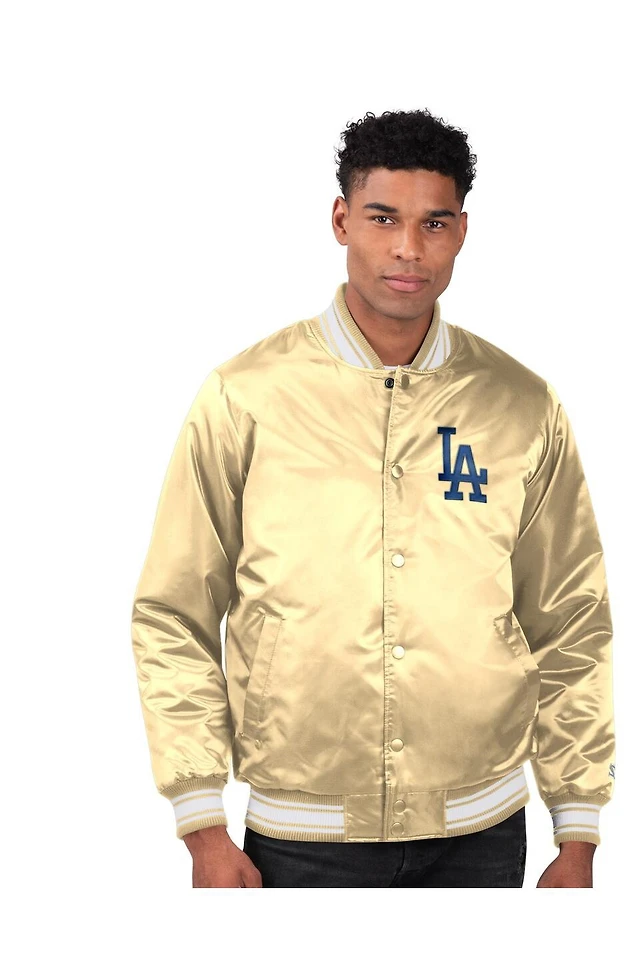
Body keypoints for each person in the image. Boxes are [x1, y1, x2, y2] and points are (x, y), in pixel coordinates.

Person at [130, 108, 616, 888]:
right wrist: (201, 822)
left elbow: (571, 618)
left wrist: (578, 825)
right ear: (341, 220)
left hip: (484, 831)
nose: (408, 249)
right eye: (383, 218)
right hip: (300, 832)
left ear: (462, 232)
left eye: (434, 223)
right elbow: (174, 610)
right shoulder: (246, 396)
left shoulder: (522, 406)